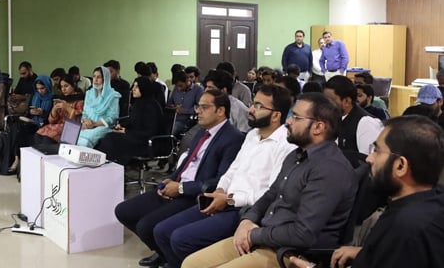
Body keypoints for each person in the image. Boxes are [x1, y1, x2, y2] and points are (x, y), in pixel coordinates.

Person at [182, 92, 357, 268]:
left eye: (295, 117)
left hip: (290, 252)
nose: (288, 121)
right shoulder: (296, 155)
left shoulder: (330, 169)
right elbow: (271, 194)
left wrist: (254, 234)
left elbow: (302, 233)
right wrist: (247, 221)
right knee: (190, 264)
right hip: (264, 236)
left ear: (318, 127)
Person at [154, 85, 296, 268]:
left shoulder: (285, 145)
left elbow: (270, 194)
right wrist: (220, 189)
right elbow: (233, 170)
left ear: (276, 115)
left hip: (245, 210)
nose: (251, 109)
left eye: (259, 106)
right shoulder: (252, 135)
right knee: (162, 231)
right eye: (253, 103)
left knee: (180, 239)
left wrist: (229, 200)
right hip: (223, 198)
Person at [289, 115, 444, 268]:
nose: (369, 158)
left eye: (377, 150)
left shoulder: (405, 227)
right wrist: (366, 252)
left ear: (400, 166)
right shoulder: (433, 202)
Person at [116, 89, 244, 268]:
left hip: (193, 194)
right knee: (123, 211)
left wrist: (182, 188)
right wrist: (171, 179)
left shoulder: (233, 138)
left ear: (220, 110)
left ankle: (174, 260)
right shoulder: (201, 132)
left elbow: (220, 180)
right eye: (198, 106)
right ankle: (164, 253)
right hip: (177, 185)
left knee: (147, 226)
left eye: (204, 107)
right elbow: (187, 163)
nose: (197, 111)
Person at [96, 77, 163, 165]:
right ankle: (106, 167)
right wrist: (122, 126)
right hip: (134, 137)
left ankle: (111, 169)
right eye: (133, 86)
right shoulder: (139, 103)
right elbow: (133, 122)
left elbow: (150, 132)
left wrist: (126, 131)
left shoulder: (152, 106)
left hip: (145, 143)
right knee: (105, 136)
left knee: (111, 139)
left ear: (144, 88)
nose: (133, 89)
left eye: (137, 87)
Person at [324, 75, 383, 165]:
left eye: (331, 100)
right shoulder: (333, 119)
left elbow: (369, 163)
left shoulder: (366, 123)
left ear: (347, 101)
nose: (326, 105)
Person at [77, 66, 121, 148]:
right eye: (94, 76)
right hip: (88, 125)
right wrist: (86, 121)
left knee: (85, 141)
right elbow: (84, 113)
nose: (95, 80)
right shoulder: (89, 93)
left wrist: (95, 124)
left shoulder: (113, 96)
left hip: (103, 126)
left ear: (105, 79)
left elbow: (112, 118)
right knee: (73, 137)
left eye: (99, 77)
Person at [34, 74, 85, 144]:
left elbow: (77, 120)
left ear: (73, 85)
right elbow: (51, 121)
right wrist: (54, 110)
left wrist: (67, 107)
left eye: (66, 86)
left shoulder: (80, 100)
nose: (63, 89)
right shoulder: (61, 98)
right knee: (37, 136)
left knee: (47, 139)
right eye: (61, 87)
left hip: (70, 128)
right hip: (57, 126)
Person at [167, 71, 205, 136]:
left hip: (187, 121)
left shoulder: (198, 90)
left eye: (181, 86)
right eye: (177, 86)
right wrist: (173, 107)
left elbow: (200, 108)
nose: (179, 88)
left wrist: (184, 110)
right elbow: (169, 103)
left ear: (188, 81)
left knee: (171, 130)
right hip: (173, 119)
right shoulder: (176, 89)